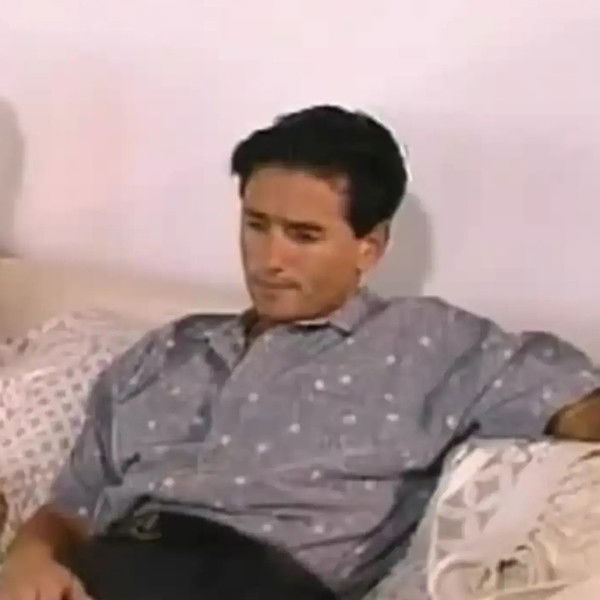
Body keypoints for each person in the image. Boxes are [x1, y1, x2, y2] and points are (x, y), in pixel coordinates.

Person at [0, 105, 598, 600]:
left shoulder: (430, 343)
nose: (270, 259)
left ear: (369, 246)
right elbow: (71, 509)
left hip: (261, 580)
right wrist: (27, 557)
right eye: (256, 225)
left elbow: (575, 404)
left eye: (303, 236)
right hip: (115, 566)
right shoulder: (167, 353)